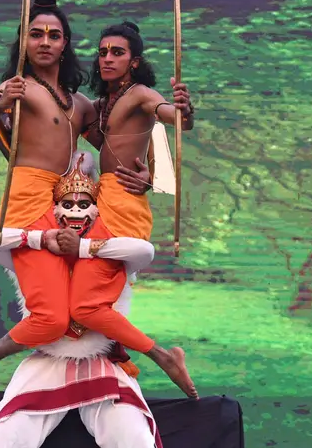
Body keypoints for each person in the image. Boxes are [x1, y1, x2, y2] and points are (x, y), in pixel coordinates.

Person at [0, 0, 151, 390]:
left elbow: (119, 143)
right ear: (24, 43)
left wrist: (147, 174)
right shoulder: (20, 88)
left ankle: (100, 368)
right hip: (30, 204)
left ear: (65, 43)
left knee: (82, 306)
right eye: (36, 34)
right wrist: (0, 101)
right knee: (51, 316)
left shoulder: (81, 104)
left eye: (54, 35)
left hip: (71, 208)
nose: (45, 42)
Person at [0, 151, 167, 448]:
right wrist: (40, 239)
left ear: (97, 211)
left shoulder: (116, 253)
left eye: (84, 205)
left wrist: (86, 248)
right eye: (67, 205)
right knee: (4, 442)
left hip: (102, 363)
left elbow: (144, 251)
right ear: (55, 210)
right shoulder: (32, 255)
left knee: (134, 441)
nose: (75, 213)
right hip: (46, 362)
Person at [59, 21, 197, 394]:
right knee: (90, 298)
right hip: (101, 201)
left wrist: (182, 108)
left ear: (134, 61)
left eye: (117, 52)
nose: (107, 59)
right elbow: (76, 131)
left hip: (124, 205)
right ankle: (112, 357)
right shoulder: (102, 105)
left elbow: (171, 116)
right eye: (103, 52)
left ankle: (162, 357)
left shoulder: (139, 94)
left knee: (88, 303)